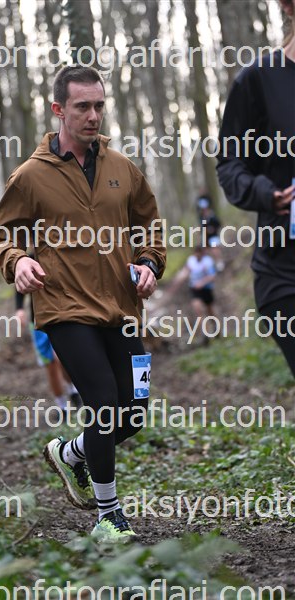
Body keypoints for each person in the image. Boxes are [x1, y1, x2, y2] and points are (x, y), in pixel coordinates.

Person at [0, 65, 166, 541]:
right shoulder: (31, 176)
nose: (93, 115)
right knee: (103, 401)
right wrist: (18, 261)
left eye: (99, 105)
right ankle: (109, 515)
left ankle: (69, 453)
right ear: (58, 110)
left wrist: (149, 263)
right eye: (82, 106)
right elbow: (2, 235)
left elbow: (150, 226)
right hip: (64, 306)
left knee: (133, 411)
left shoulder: (122, 169)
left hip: (121, 307)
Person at [216, 0, 295, 377]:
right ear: (288, 6)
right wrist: (264, 193)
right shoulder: (259, 80)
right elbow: (230, 163)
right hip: (285, 273)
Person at [15, 289, 81, 414]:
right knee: (50, 365)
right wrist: (19, 309)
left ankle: (73, 391)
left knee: (62, 357)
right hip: (38, 321)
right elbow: (20, 281)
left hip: (61, 316)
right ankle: (62, 407)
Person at [168, 246, 217, 345]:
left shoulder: (208, 261)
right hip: (195, 290)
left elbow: (212, 276)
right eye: (196, 253)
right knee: (199, 311)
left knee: (210, 311)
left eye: (200, 253)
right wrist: (176, 283)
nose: (198, 255)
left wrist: (202, 283)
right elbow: (185, 272)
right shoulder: (191, 261)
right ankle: (205, 334)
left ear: (203, 253)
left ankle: (216, 329)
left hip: (206, 289)